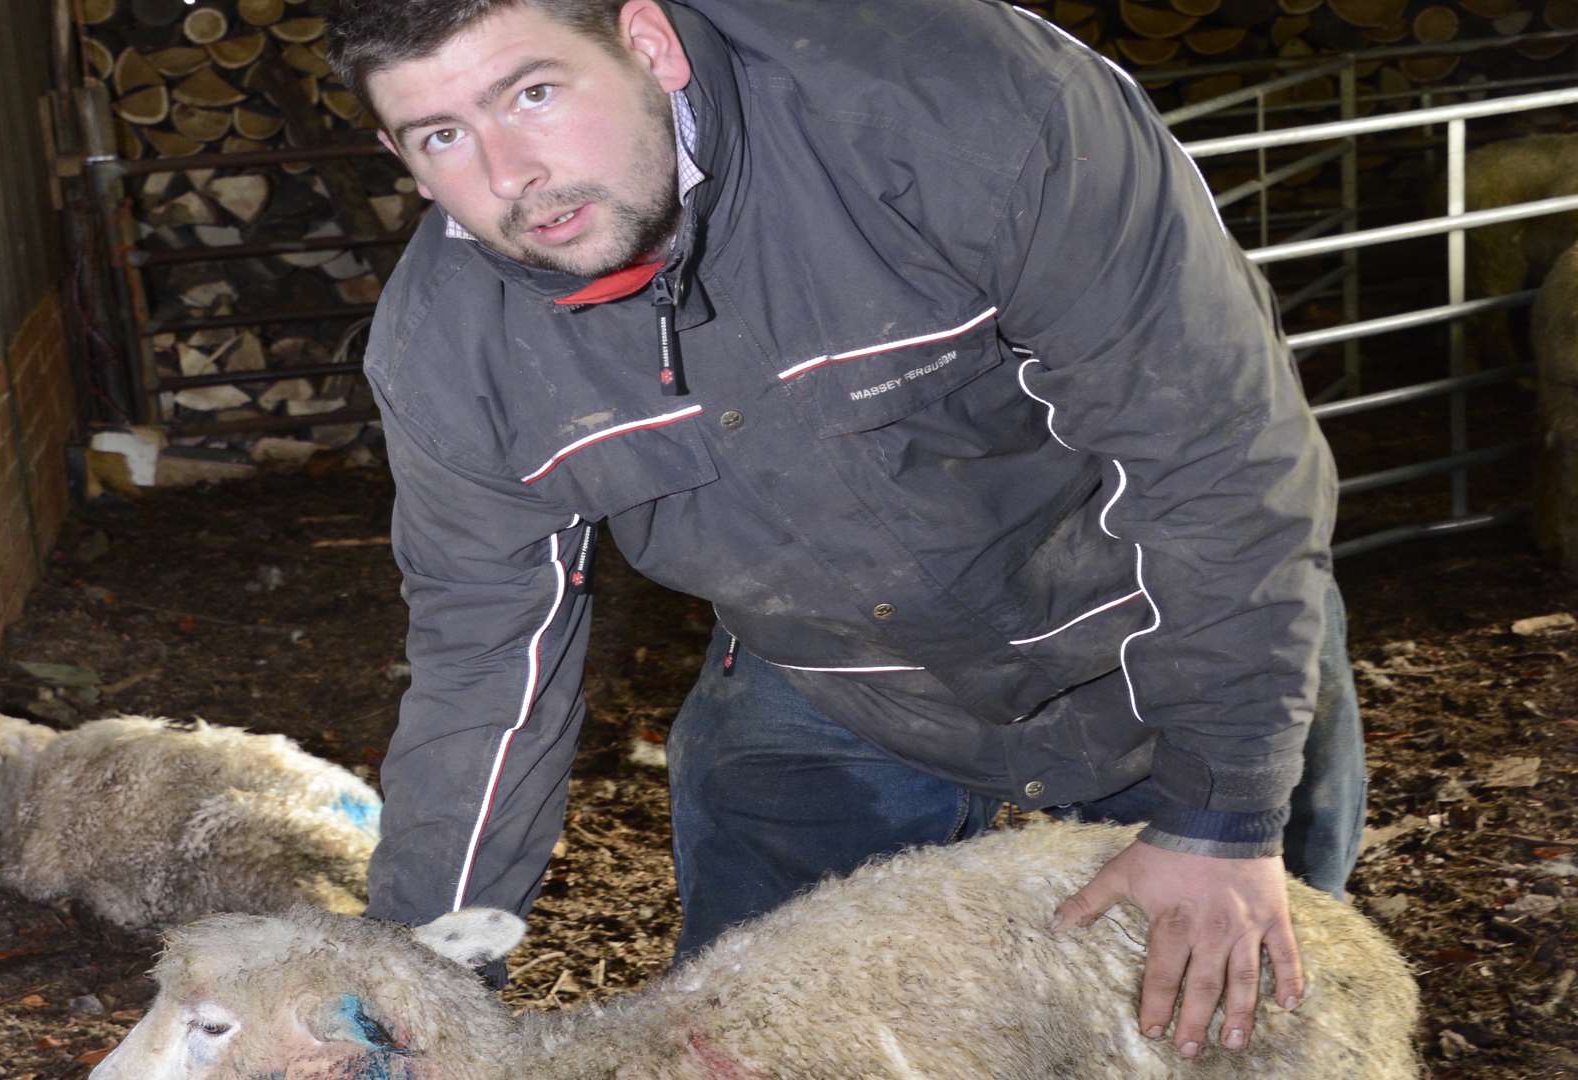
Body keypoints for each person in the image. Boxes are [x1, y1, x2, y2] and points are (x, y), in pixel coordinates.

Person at [327, 0, 1367, 1060]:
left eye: (534, 94)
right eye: (442, 136)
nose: (509, 176)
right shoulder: (449, 351)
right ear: (399, 158)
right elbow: (486, 660)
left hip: (1151, 619)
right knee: (752, 1044)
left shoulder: (962, 104)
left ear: (648, 42)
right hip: (828, 675)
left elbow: (1215, 455)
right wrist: (413, 990)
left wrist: (1223, 811)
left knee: (1238, 1023)